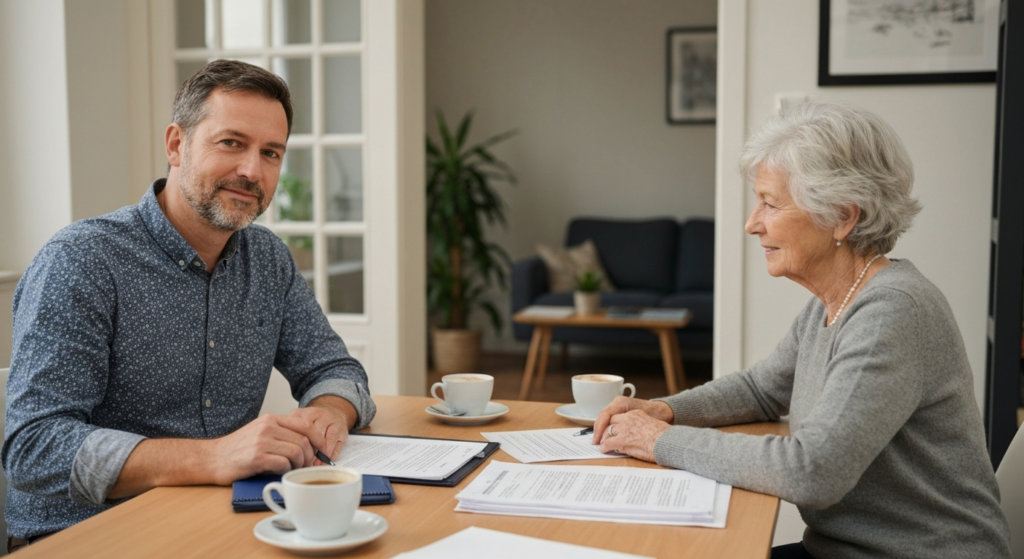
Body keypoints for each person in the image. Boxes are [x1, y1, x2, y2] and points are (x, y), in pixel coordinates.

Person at [592, 101, 1011, 559]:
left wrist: (660, 441)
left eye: (770, 203)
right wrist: (663, 410)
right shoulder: (836, 301)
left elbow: (812, 471)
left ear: (842, 217)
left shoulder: (893, 312)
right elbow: (760, 389)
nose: (752, 224)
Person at [2, 60, 376, 551]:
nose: (251, 170)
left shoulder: (267, 259)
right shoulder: (81, 261)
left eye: (271, 153)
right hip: (84, 534)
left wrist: (330, 411)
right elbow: (34, 448)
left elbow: (334, 367)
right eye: (231, 143)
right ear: (176, 145)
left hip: (221, 516)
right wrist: (215, 457)